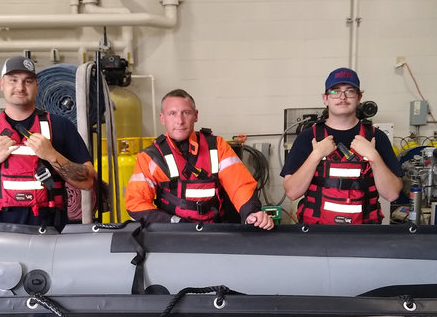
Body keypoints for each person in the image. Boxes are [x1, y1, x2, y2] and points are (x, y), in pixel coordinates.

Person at [0, 56, 95, 229]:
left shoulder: (60, 126)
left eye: (28, 81)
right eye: (13, 80)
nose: (20, 87)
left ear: (37, 86)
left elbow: (88, 181)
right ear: (2, 85)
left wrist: (52, 155)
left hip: (50, 230)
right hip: (0, 232)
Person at [124, 89, 274, 230]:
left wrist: (251, 213)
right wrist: (174, 223)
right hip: (172, 234)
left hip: (216, 232)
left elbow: (240, 185)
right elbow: (136, 202)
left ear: (196, 115)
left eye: (186, 113)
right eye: (172, 114)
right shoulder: (151, 157)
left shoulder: (217, 147)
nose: (179, 120)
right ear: (162, 118)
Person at [281, 67, 403, 224]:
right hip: (316, 234)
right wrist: (316, 155)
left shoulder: (376, 137)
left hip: (364, 234)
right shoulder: (308, 137)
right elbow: (292, 192)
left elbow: (392, 194)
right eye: (335, 91)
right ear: (325, 98)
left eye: (350, 91)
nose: (342, 97)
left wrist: (373, 156)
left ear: (359, 97)